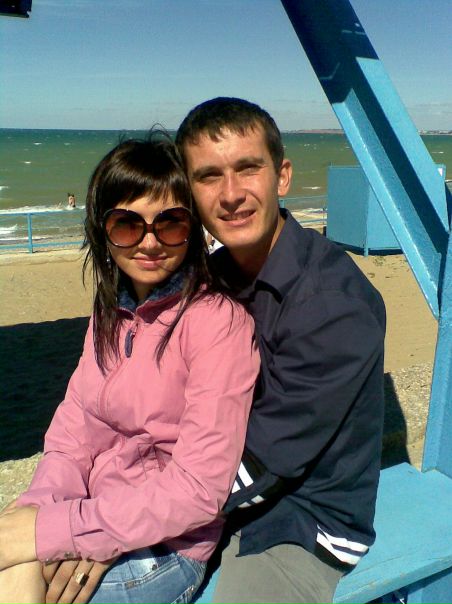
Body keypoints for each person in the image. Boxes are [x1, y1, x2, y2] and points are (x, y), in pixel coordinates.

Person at [0, 131, 259, 604]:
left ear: (193, 229)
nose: (149, 242)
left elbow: (196, 491)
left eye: (170, 224)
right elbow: (74, 434)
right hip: (93, 514)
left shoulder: (217, 325)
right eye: (126, 225)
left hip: (169, 547)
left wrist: (59, 532)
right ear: (102, 230)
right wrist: (39, 514)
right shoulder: (110, 314)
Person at [175, 97, 386, 604]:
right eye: (209, 176)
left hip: (307, 517)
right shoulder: (212, 279)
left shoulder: (333, 303)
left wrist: (137, 512)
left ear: (282, 176)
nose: (231, 195)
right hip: (216, 487)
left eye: (248, 168)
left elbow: (266, 459)